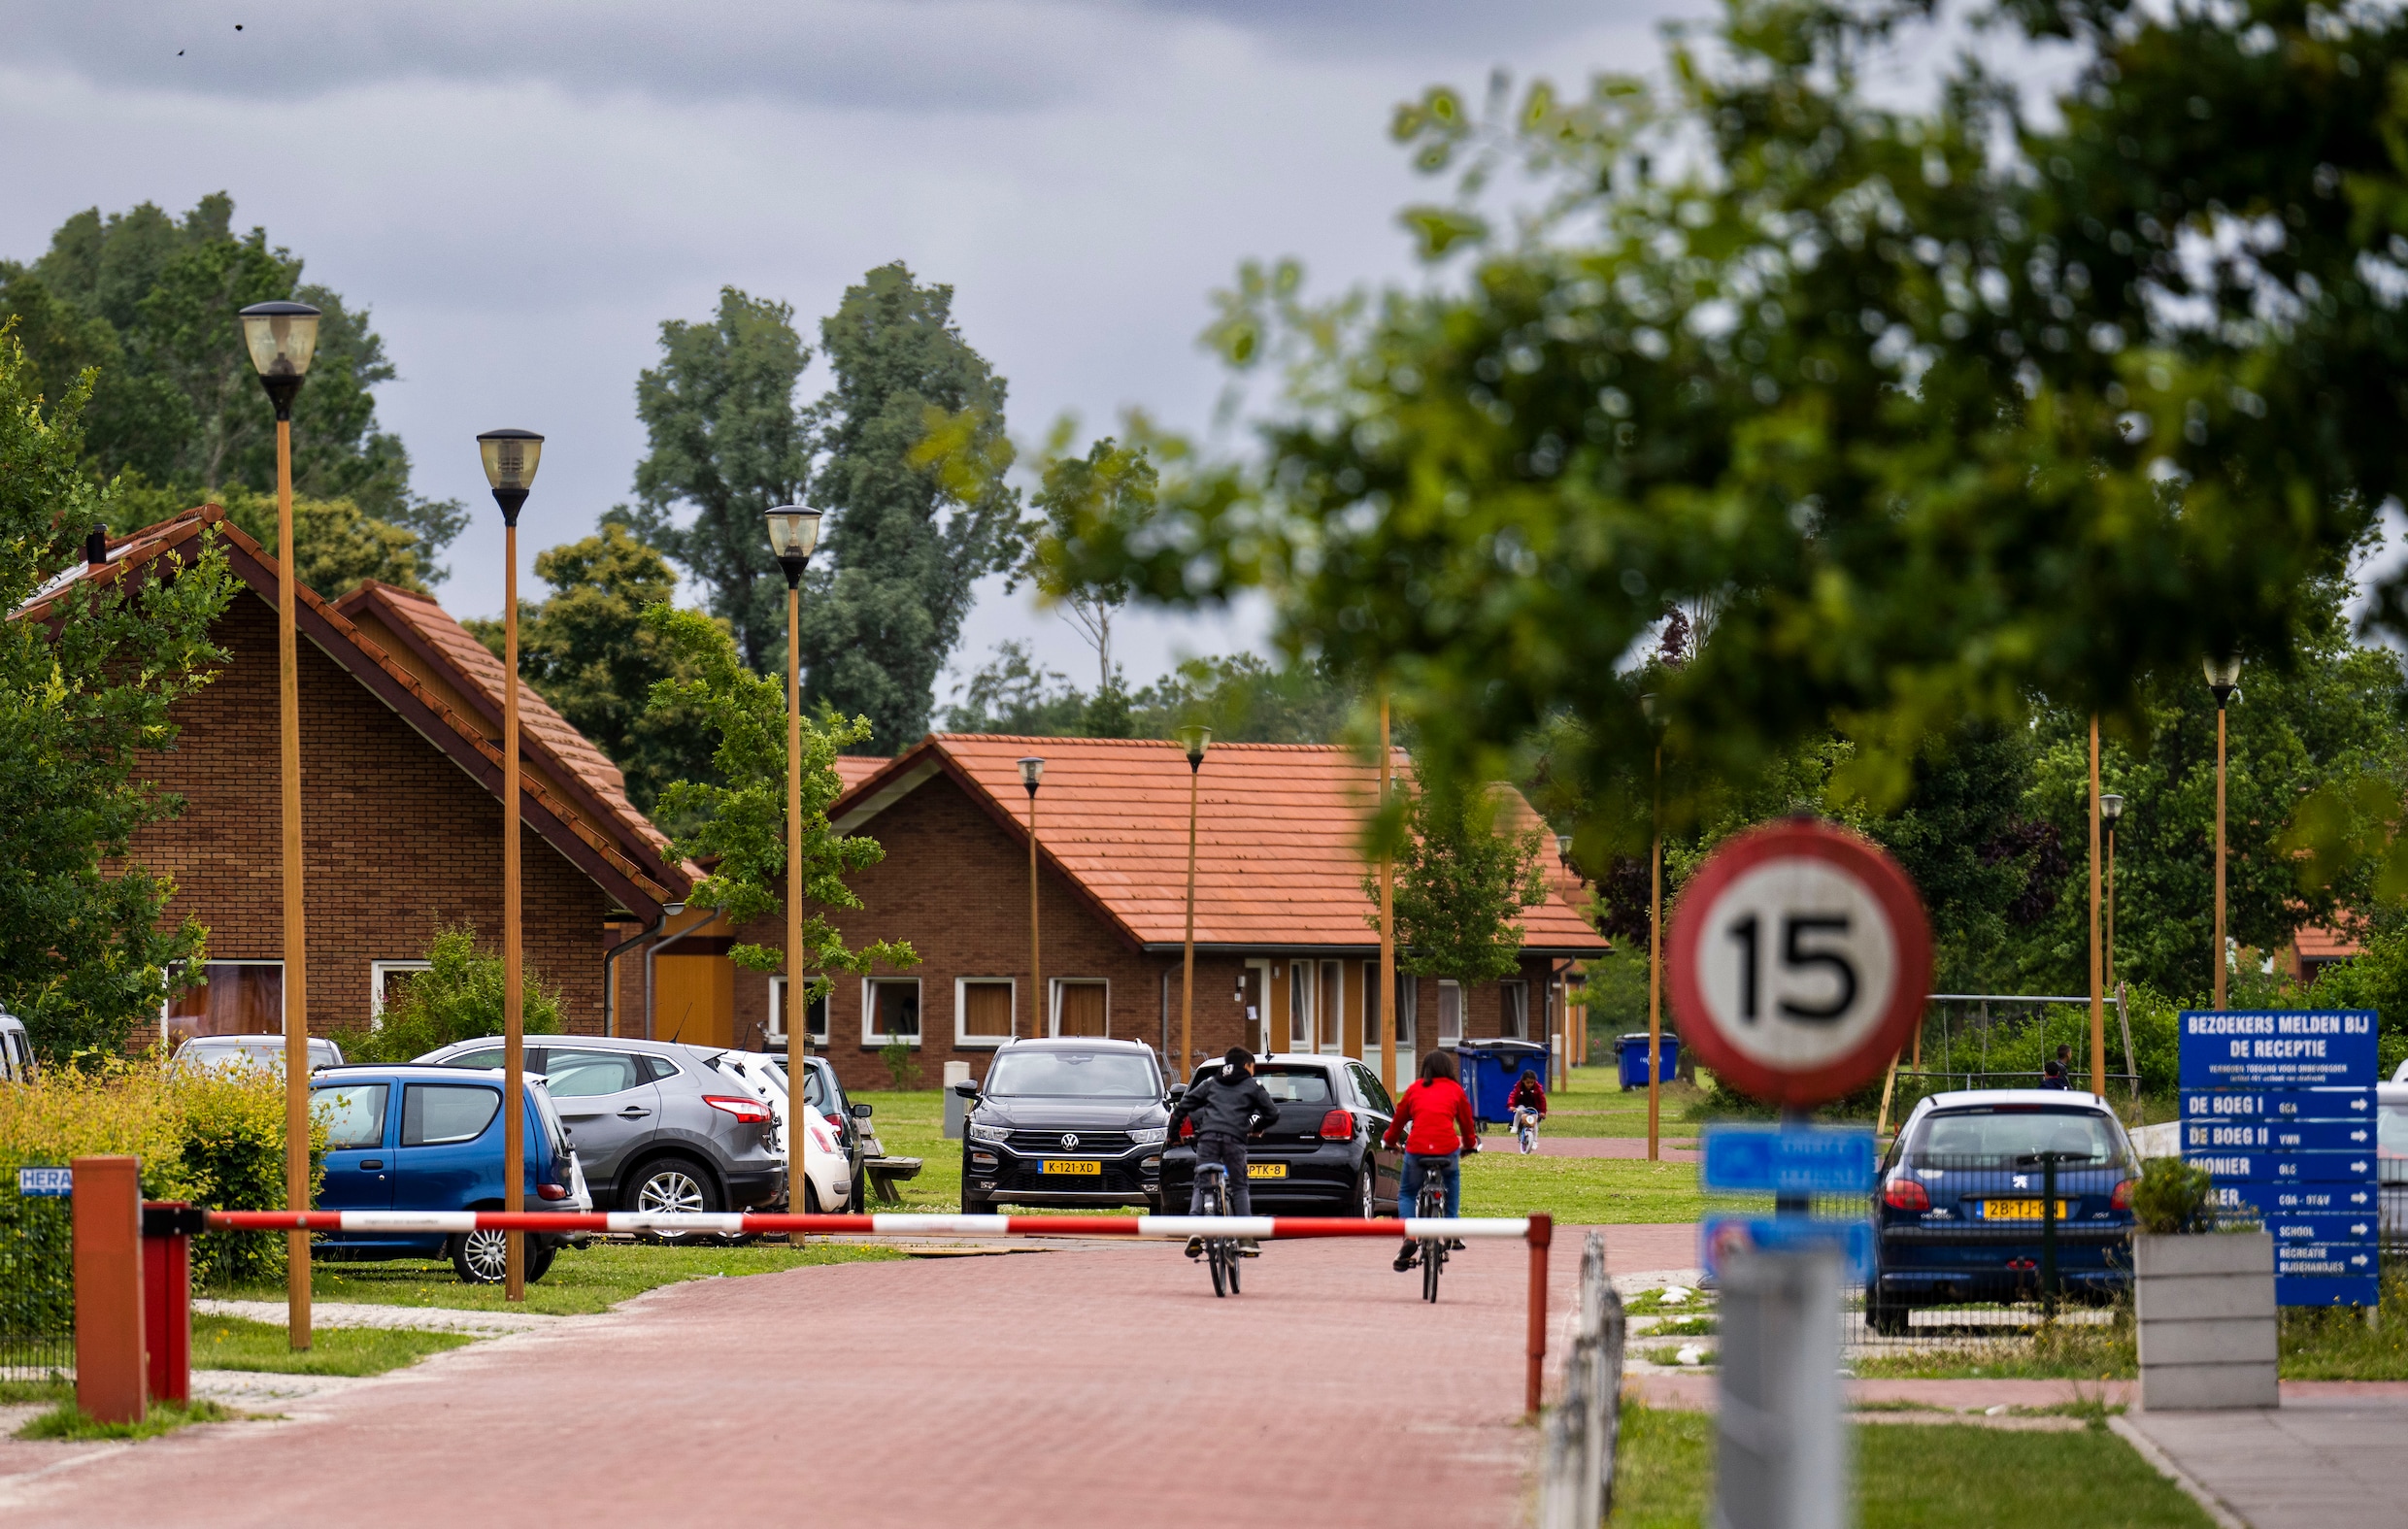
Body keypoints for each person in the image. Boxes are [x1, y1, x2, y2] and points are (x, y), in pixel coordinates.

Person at [1168, 1047, 1278, 1258]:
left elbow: (1182, 1108)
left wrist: (1173, 1135)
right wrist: (1254, 1127)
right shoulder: (1252, 1085)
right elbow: (1272, 1114)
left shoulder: (1211, 1083)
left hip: (1207, 1138)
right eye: (1253, 1067)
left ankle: (1195, 1231)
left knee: (1201, 1183)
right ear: (1247, 1065)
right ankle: (1245, 1238)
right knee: (1239, 1186)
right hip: (1234, 1141)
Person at [1384, 1048, 1480, 1273]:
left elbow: (1397, 1121)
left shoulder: (1414, 1090)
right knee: (1452, 1181)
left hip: (1417, 1150)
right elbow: (1466, 1123)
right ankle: (1452, 1228)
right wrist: (1470, 1145)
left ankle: (1411, 1235)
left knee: (1407, 1193)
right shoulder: (1455, 1091)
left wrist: (1390, 1142)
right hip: (1447, 1149)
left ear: (1424, 1069)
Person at [1507, 1068, 1548, 1133]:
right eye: (1528, 1082)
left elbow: (1542, 1100)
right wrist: (1511, 1105)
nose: (1530, 1085)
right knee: (1519, 1111)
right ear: (1523, 1081)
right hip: (1523, 1106)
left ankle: (1534, 1140)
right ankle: (1515, 1126)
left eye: (1532, 1082)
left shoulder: (1538, 1089)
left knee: (1535, 1124)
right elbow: (1513, 1095)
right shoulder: (1519, 1087)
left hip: (1534, 1107)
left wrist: (1543, 1111)